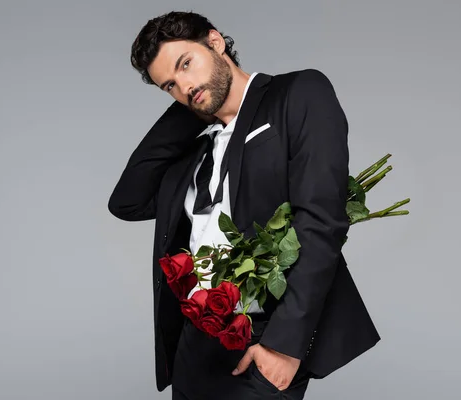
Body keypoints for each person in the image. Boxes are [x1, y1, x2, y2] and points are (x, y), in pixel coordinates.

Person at [108, 10, 380, 400]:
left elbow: (321, 222)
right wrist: (193, 105)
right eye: (169, 84)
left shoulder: (297, 94)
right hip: (195, 342)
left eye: (186, 63)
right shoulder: (194, 151)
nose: (183, 85)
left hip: (265, 337)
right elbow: (126, 202)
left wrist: (284, 347)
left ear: (215, 43)